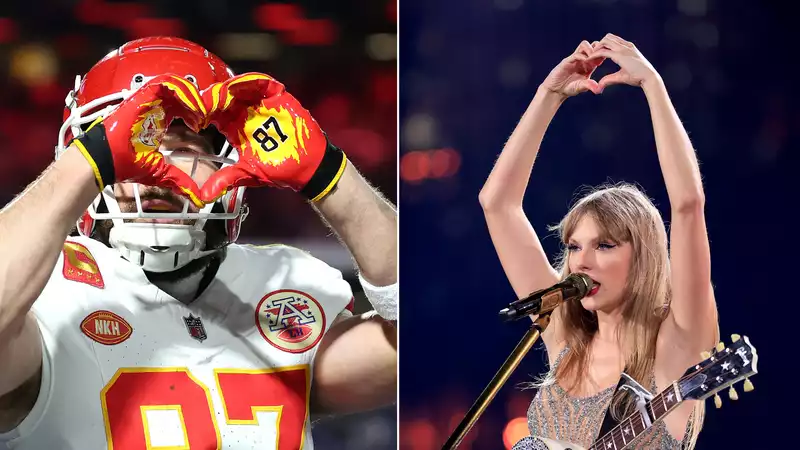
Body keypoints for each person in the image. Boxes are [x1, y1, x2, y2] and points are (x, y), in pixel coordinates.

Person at [0, 36, 397, 449]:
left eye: (186, 146)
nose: (155, 167)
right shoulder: (44, 286)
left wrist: (330, 176)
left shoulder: (280, 285)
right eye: (133, 143)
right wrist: (90, 161)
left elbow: (422, 343)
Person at [479, 34, 719, 449]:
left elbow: (688, 205)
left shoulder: (677, 342)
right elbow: (497, 204)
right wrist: (548, 95)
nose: (581, 262)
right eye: (573, 247)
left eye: (604, 246)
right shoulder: (565, 338)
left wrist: (652, 85)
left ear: (642, 257)